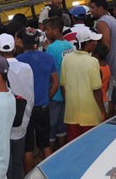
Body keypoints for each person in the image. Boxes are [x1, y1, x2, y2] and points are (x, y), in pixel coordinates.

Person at [0, 33, 34, 179]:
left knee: (4, 169)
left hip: (1, 128)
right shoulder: (26, 68)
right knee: (17, 165)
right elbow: (30, 96)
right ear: (15, 47)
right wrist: (26, 119)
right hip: (21, 123)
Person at [16, 27, 58, 171]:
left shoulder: (18, 60)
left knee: (28, 148)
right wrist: (46, 97)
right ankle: (50, 174)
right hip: (43, 107)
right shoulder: (48, 58)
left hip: (26, 109)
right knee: (45, 145)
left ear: (22, 42)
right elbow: (55, 84)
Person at [60, 27, 104, 141]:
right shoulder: (93, 61)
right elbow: (97, 90)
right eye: (93, 41)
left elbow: (63, 86)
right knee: (92, 146)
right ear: (87, 43)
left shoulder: (66, 59)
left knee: (74, 147)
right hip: (91, 116)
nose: (95, 43)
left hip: (71, 115)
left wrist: (69, 104)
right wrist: (103, 111)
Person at [43, 16, 73, 151]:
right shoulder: (69, 46)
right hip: (67, 92)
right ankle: (61, 150)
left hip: (54, 93)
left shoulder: (51, 48)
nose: (46, 32)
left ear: (56, 31)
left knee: (51, 124)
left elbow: (49, 72)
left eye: (48, 30)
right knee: (62, 124)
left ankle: (50, 151)